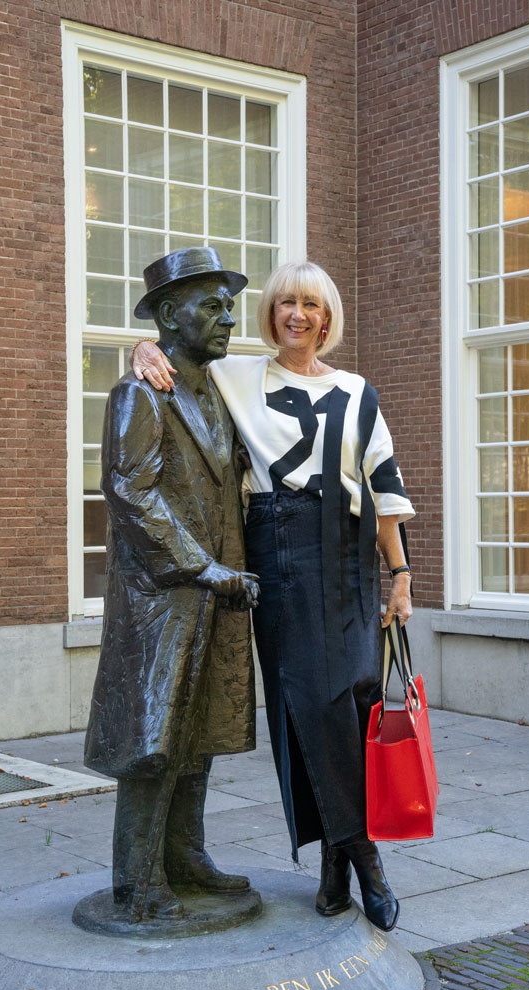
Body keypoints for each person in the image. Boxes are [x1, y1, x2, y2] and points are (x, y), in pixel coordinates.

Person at [133, 259, 414, 931]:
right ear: (272, 313)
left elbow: (383, 492)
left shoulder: (356, 390)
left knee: (352, 702)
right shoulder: (239, 375)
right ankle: (366, 859)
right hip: (280, 552)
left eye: (311, 304)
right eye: (286, 302)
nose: (298, 314)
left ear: (326, 317)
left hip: (348, 558)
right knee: (308, 706)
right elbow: (170, 354)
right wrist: (139, 347)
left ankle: (334, 864)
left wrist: (399, 578)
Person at [84, 248, 260, 922]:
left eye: (227, 303)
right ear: (166, 313)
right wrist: (198, 564)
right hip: (165, 596)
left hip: (216, 592)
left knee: (201, 730)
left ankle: (185, 854)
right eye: (211, 304)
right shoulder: (139, 392)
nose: (227, 317)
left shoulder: (222, 388)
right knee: (153, 742)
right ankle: (137, 879)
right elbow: (131, 491)